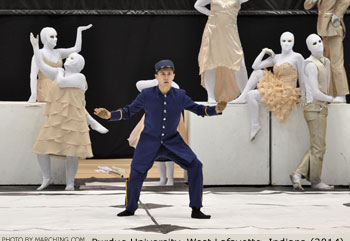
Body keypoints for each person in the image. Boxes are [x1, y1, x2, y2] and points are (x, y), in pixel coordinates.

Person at [94, 60, 227, 219]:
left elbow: (199, 109)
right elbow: (128, 111)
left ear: (173, 76)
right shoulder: (146, 95)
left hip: (173, 141)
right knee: (136, 172)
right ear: (156, 76)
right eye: (162, 74)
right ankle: (130, 208)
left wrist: (216, 110)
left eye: (169, 74)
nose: (166, 77)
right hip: (148, 141)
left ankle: (196, 209)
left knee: (195, 166)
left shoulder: (180, 96)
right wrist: (109, 115)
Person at [30, 33, 93, 191]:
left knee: (72, 151)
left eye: (72, 59)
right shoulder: (60, 72)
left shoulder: (79, 77)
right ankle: (47, 177)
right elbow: (41, 65)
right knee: (41, 147)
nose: (68, 59)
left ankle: (70, 182)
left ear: (79, 64)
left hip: (73, 118)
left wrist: (57, 73)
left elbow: (62, 83)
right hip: (58, 115)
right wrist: (35, 47)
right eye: (69, 58)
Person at [28, 25, 108, 134]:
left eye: (56, 36)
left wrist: (79, 31)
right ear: (44, 38)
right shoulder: (38, 54)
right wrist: (33, 94)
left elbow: (77, 49)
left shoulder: (58, 52)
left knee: (71, 95)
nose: (55, 39)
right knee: (69, 96)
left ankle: (90, 121)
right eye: (52, 36)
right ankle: (90, 121)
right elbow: (33, 75)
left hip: (60, 85)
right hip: (46, 88)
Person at [290, 34, 342, 191]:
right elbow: (316, 92)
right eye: (314, 43)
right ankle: (314, 179)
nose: (319, 44)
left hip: (321, 108)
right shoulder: (310, 64)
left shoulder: (325, 61)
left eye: (320, 41)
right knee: (318, 147)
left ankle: (300, 174)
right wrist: (332, 99)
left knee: (318, 146)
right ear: (309, 47)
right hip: (314, 108)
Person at [232, 32, 306, 140]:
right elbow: (255, 66)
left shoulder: (297, 57)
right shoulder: (277, 57)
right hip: (276, 86)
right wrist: (263, 52)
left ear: (293, 42)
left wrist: (304, 95)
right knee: (255, 78)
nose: (286, 44)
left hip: (287, 92)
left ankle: (245, 103)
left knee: (252, 94)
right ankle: (253, 121)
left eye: (289, 41)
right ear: (280, 42)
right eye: (284, 41)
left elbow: (303, 78)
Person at [129, 79, 184, 186]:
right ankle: (162, 178)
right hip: (154, 124)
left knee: (169, 153)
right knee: (158, 154)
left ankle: (171, 179)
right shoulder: (154, 90)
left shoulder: (173, 89)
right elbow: (139, 85)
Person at [195, 0, 249, 102]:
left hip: (231, 34)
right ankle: (210, 96)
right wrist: (211, 14)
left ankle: (245, 95)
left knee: (239, 63)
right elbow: (197, 5)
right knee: (210, 63)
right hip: (213, 32)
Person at [304, 0, 349, 102]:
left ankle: (341, 94)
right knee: (327, 63)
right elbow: (306, 6)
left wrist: (337, 15)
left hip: (334, 27)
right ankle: (331, 93)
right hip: (323, 29)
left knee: (336, 64)